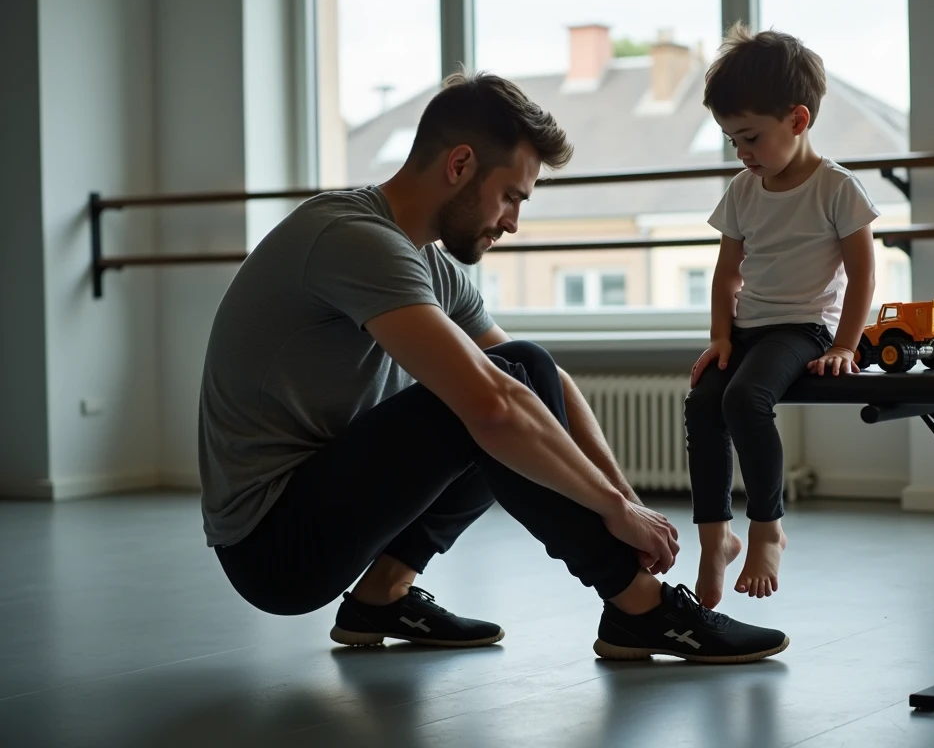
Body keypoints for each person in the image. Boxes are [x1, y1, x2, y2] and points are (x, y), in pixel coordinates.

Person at [197, 70, 790, 663]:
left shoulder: (426, 263)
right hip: (272, 548)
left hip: (324, 515)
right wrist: (614, 512)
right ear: (459, 165)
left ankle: (382, 595)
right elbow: (496, 405)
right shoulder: (352, 239)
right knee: (488, 403)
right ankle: (640, 607)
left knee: (520, 369)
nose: (512, 222)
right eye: (511, 196)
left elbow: (542, 379)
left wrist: (622, 500)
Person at [685, 25, 879, 609]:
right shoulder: (743, 190)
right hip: (748, 330)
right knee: (703, 402)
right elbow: (727, 274)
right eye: (732, 140)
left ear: (798, 120)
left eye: (750, 138)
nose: (742, 153)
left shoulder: (836, 188)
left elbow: (863, 276)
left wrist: (845, 345)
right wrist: (721, 337)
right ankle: (716, 539)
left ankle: (767, 529)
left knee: (745, 399)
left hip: (803, 328)